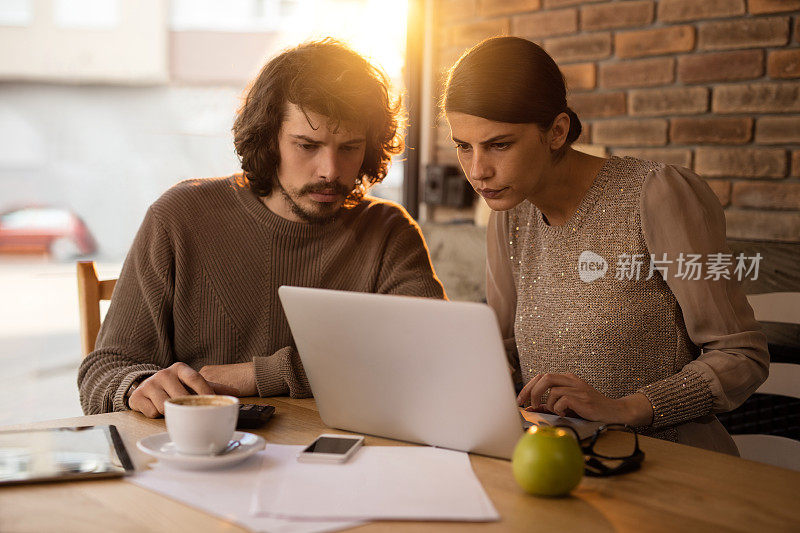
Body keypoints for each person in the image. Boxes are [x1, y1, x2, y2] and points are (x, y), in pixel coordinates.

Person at [78, 39, 445, 417]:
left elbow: (433, 355)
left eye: (350, 147)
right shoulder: (179, 217)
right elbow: (103, 373)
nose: (331, 171)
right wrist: (137, 387)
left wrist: (263, 374)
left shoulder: (387, 231)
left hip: (340, 461)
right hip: (203, 461)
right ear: (269, 139)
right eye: (307, 145)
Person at [442, 36, 768, 454]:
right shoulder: (508, 215)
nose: (477, 171)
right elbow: (503, 347)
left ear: (557, 131)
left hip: (669, 462)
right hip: (560, 460)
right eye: (463, 147)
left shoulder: (657, 195)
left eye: (499, 144)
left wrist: (627, 407)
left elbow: (742, 354)